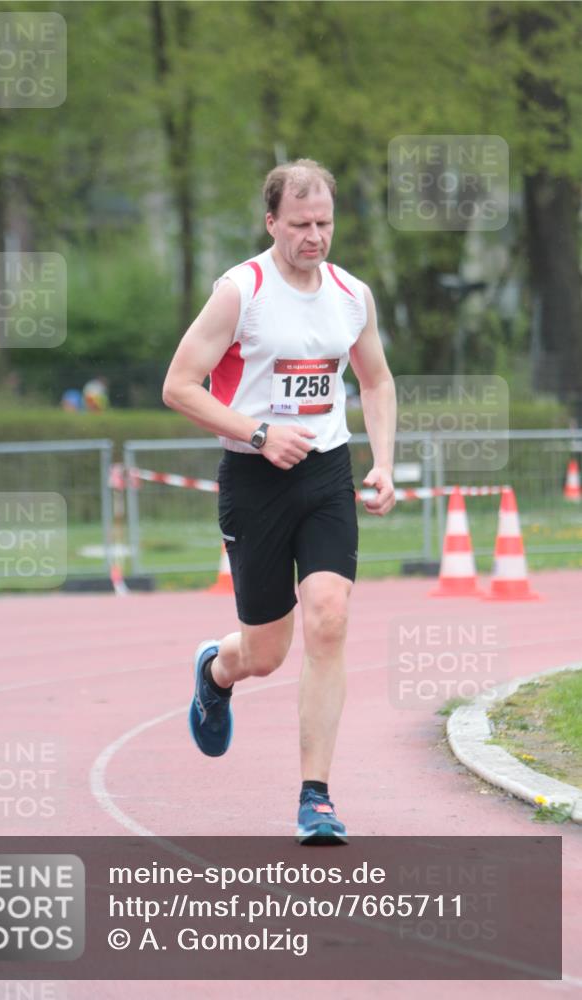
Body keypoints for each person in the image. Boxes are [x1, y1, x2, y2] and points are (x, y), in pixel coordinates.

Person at [162, 158, 396, 843]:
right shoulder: (242, 290)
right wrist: (258, 433)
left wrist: (382, 462)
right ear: (272, 222)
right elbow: (179, 385)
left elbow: (376, 381)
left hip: (325, 473)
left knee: (328, 617)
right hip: (254, 479)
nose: (313, 236)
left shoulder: (351, 294)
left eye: (323, 223)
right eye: (299, 224)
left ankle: (315, 797)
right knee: (265, 653)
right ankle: (216, 668)